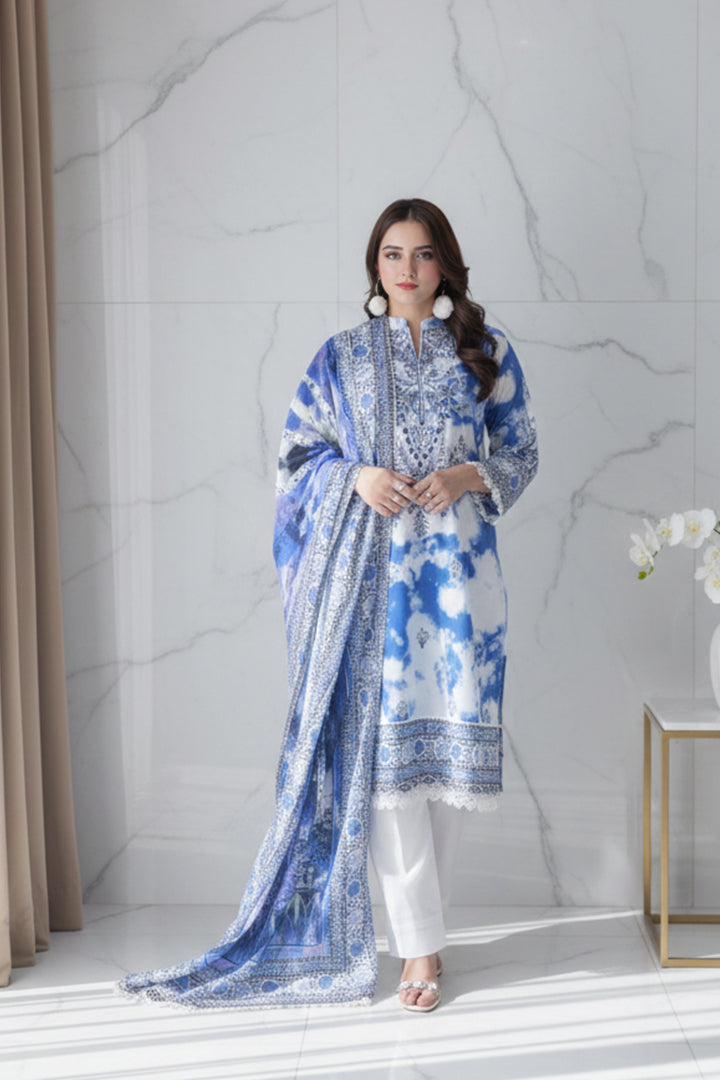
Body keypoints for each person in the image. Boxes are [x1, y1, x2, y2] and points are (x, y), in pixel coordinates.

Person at [118, 198, 538, 1014]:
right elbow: (296, 456)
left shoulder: (487, 351)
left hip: (463, 593)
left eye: (423, 253)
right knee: (384, 772)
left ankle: (425, 932)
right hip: (369, 593)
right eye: (392, 254)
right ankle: (419, 950)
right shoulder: (340, 358)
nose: (408, 269)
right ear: (375, 266)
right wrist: (356, 477)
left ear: (446, 265)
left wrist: (467, 475)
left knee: (449, 771)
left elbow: (522, 450)